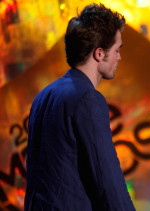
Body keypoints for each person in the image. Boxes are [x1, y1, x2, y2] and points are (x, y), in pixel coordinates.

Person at [25, 3, 135, 211]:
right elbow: (107, 179)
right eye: (117, 50)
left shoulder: (43, 96)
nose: (119, 57)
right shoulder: (87, 99)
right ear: (99, 54)